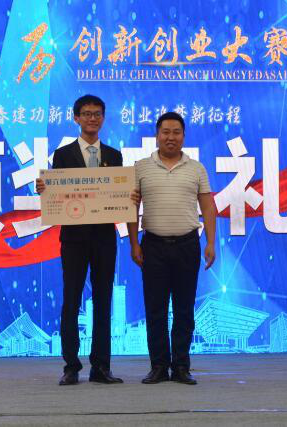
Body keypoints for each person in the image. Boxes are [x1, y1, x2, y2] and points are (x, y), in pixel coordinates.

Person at [36, 94, 124, 385]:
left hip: (104, 238)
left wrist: (128, 195)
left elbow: (118, 194)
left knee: (103, 301)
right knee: (71, 300)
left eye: (97, 114)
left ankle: (101, 367)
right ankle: (71, 366)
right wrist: (45, 189)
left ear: (103, 118)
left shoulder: (114, 156)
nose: (92, 118)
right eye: (86, 113)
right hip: (74, 239)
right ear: (76, 118)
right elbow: (58, 193)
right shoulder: (62, 155)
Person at [127, 111, 216, 385]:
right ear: (157, 136)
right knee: (155, 310)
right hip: (153, 245)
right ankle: (158, 366)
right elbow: (131, 207)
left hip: (188, 245)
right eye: (165, 132)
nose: (171, 137)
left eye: (176, 132)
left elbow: (208, 207)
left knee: (184, 310)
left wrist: (211, 242)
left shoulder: (196, 168)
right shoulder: (140, 167)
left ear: (184, 136)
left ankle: (180, 367)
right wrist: (134, 243)